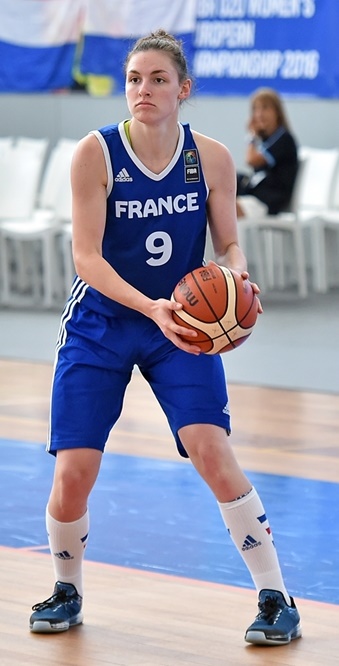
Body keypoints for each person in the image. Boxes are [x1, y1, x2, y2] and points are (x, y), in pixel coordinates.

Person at [29, 30, 301, 646]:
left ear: (183, 89)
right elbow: (88, 259)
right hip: (104, 320)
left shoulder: (212, 158)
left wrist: (234, 273)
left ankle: (276, 597)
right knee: (73, 471)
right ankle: (66, 588)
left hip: (180, 325)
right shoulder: (94, 154)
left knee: (211, 449)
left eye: (156, 79)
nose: (142, 90)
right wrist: (148, 306)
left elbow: (228, 242)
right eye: (133, 79)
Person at [236, 87, 298, 219]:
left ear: (277, 112)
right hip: (255, 196)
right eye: (255, 109)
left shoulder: (284, 139)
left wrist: (251, 136)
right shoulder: (266, 140)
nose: (259, 114)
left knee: (224, 209)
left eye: (265, 108)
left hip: (268, 202)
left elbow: (251, 160)